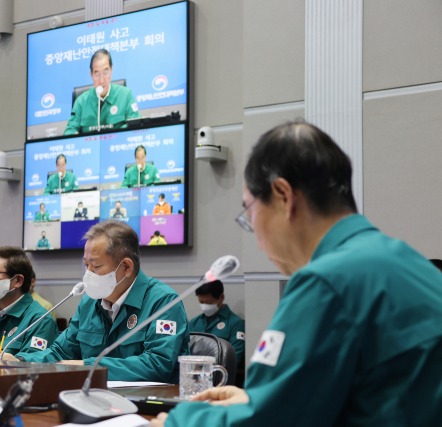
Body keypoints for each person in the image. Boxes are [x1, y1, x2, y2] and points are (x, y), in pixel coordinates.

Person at [153, 122, 442, 427]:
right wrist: (257, 400)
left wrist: (179, 422)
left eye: (249, 214)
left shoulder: (326, 281)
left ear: (282, 196)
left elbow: (267, 423)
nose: (257, 238)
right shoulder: (412, 264)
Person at [0, 220, 190, 382]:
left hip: (150, 407)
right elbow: (60, 351)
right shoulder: (89, 303)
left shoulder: (163, 302)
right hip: (92, 398)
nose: (88, 274)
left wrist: (88, 366)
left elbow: (157, 365)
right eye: (86, 265)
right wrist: (20, 360)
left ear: (126, 267)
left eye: (96, 266)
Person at [64, 49, 141, 135]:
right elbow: (69, 131)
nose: (101, 80)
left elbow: (136, 126)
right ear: (91, 75)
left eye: (105, 73)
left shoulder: (126, 95)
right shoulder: (81, 102)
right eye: (97, 75)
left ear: (111, 70)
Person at [189, 280, 245, 370]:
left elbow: (234, 359)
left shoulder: (235, 323)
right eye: (201, 302)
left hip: (220, 375)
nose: (205, 306)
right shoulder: (194, 322)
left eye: (209, 302)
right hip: (193, 373)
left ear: (221, 298)